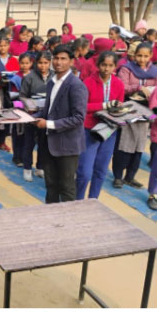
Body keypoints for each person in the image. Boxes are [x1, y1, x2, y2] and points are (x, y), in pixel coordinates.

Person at [40, 45, 88, 200]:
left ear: (71, 61)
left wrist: (48, 124)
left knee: (66, 187)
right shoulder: (51, 83)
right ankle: (52, 214)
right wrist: (30, 117)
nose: (58, 62)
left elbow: (78, 118)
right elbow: (49, 110)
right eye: (56, 58)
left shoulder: (76, 85)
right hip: (49, 143)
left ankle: (68, 216)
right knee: (51, 185)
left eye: (63, 59)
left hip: (67, 145)